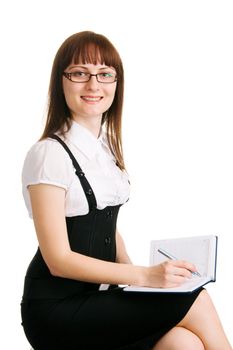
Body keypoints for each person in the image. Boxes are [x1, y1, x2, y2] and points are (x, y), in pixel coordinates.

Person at [20, 31, 232, 350]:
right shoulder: (48, 155)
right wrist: (143, 276)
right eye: (80, 73)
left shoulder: (105, 150)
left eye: (105, 74)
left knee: (182, 342)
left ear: (116, 84)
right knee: (196, 299)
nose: (94, 84)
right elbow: (58, 260)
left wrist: (142, 284)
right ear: (60, 81)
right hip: (55, 309)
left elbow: (109, 226)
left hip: (98, 300)